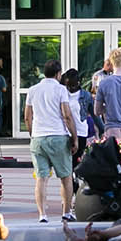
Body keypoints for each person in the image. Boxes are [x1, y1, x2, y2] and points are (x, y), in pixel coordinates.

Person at [23, 62, 78, 224]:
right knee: (66, 177)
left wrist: (33, 134)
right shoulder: (61, 90)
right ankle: (66, 213)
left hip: (38, 138)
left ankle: (42, 214)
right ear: (58, 74)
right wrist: (74, 138)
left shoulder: (32, 90)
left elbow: (27, 117)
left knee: (41, 178)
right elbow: (67, 115)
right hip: (58, 136)